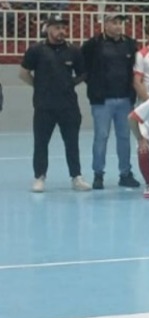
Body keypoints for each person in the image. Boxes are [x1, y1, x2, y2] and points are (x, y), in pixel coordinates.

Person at [20, 14, 90, 193]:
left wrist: (70, 83)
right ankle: (39, 177)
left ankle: (76, 177)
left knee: (72, 142)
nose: (61, 31)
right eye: (57, 27)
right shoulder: (36, 50)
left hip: (68, 105)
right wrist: (39, 85)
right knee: (41, 143)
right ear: (48, 28)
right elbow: (24, 73)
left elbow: (83, 73)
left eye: (63, 28)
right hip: (44, 106)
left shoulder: (74, 51)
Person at [82, 13, 139, 189]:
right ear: (105, 24)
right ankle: (98, 174)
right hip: (102, 101)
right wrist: (94, 86)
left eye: (120, 22)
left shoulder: (130, 44)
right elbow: (84, 67)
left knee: (124, 137)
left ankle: (125, 173)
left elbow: (134, 69)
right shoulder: (93, 44)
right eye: (114, 22)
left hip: (125, 99)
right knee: (101, 137)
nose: (117, 26)